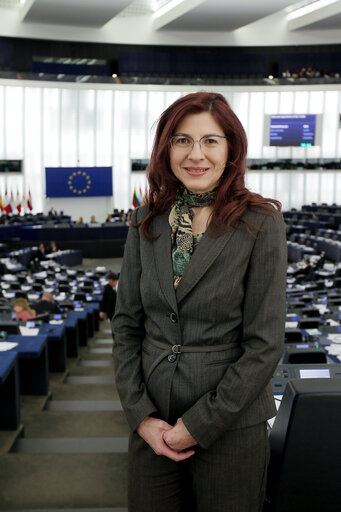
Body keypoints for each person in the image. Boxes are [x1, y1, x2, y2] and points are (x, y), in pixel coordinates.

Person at [112, 91, 287, 512]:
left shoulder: (261, 223)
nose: (196, 154)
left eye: (210, 140)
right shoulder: (144, 220)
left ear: (231, 149)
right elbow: (126, 327)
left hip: (230, 423)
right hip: (153, 423)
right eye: (182, 140)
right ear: (166, 149)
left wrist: (197, 424)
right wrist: (141, 417)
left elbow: (264, 344)